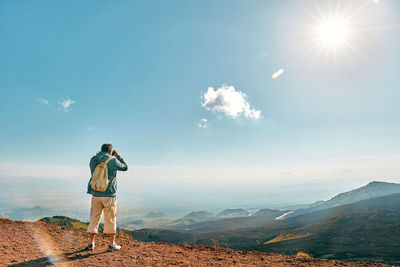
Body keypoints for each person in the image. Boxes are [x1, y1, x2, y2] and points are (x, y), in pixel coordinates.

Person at [86, 143, 128, 251]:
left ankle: (91, 243)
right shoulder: (113, 161)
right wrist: (117, 156)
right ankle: (112, 244)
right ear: (111, 151)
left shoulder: (93, 159)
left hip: (95, 194)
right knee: (110, 218)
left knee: (94, 218)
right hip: (109, 195)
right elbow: (125, 167)